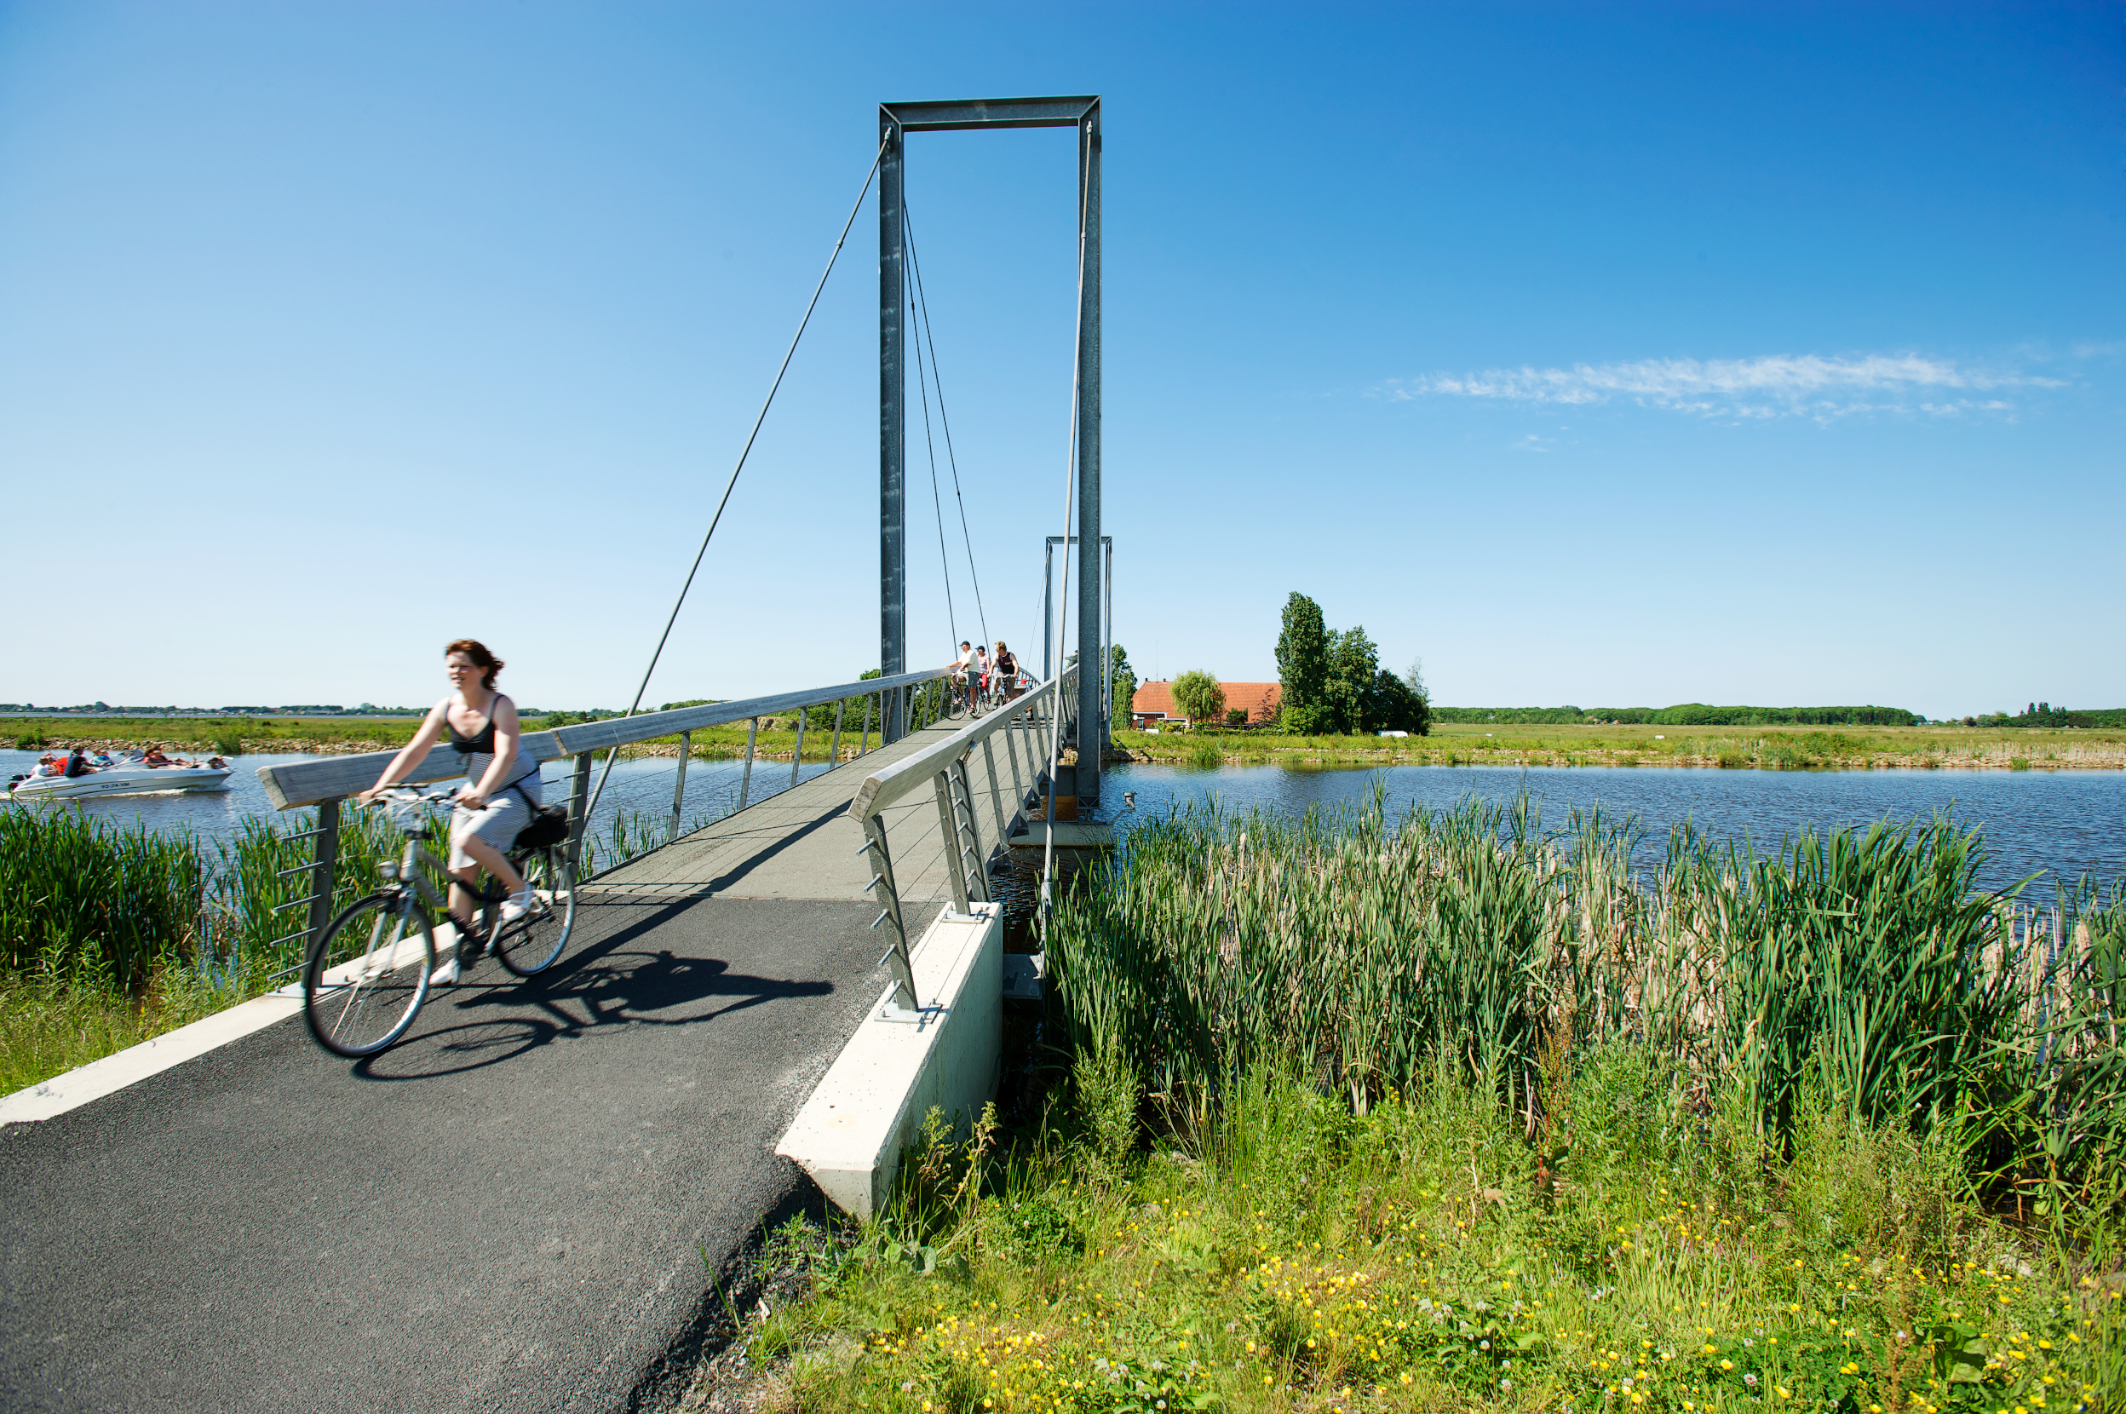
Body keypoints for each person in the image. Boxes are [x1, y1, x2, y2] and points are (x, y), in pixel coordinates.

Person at [356, 639, 542, 984]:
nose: (456, 672)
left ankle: (520, 891)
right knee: (460, 875)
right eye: (452, 666)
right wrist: (381, 786)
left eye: (464, 666)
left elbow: (504, 753)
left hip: (516, 790)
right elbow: (415, 750)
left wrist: (482, 791)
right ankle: (459, 957)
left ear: (483, 670)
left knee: (468, 838)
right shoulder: (446, 707)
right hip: (475, 793)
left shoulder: (501, 705)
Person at [946, 640, 977, 711]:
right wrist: (950, 666)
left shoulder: (972, 653)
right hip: (964, 673)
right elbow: (958, 662)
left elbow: (967, 663)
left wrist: (961, 668)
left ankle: (973, 706)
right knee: (954, 678)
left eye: (963, 646)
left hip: (972, 672)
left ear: (968, 646)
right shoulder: (964, 654)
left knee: (971, 688)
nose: (962, 648)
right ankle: (961, 695)